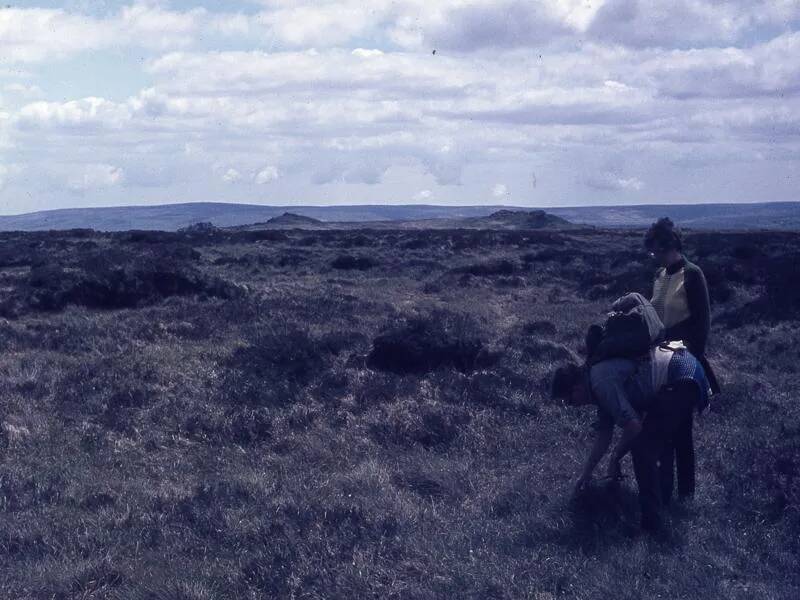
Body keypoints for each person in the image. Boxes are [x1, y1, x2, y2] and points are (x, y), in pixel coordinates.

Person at [551, 345, 711, 532]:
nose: (572, 406)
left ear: (576, 388)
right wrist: (585, 475)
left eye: (569, 401)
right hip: (685, 367)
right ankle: (680, 502)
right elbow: (604, 435)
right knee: (667, 439)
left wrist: (615, 457)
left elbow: (634, 426)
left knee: (643, 450)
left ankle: (652, 528)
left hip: (680, 375)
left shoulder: (600, 384)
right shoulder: (595, 381)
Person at [644, 217, 720, 504]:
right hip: (658, 359)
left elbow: (702, 324)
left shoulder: (693, 274)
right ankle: (665, 490)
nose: (656, 256)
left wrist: (688, 357)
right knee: (663, 428)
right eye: (652, 252)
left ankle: (685, 493)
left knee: (681, 429)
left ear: (671, 245)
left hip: (683, 360)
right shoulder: (660, 275)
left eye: (658, 250)